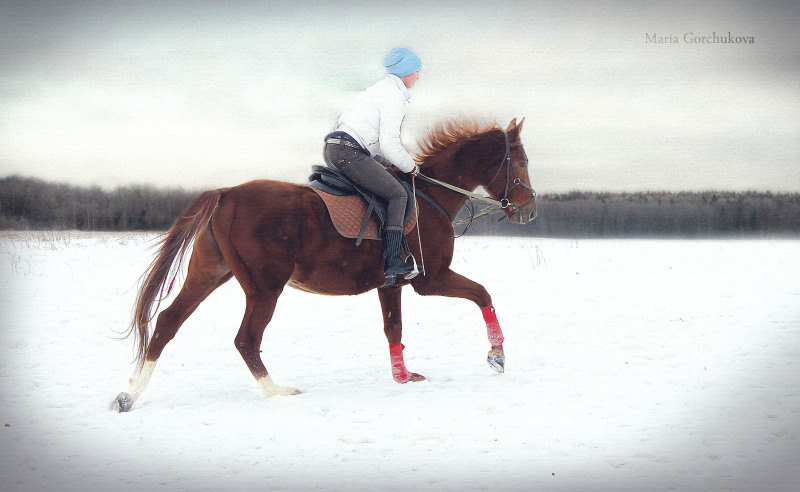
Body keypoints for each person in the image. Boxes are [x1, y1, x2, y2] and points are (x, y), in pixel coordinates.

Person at [323, 46, 422, 282]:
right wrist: (411, 167)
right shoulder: (393, 95)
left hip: (337, 148)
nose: (418, 76)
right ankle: (392, 261)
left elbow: (375, 143)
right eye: (416, 71)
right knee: (398, 194)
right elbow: (389, 143)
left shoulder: (378, 90)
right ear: (406, 72)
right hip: (350, 152)